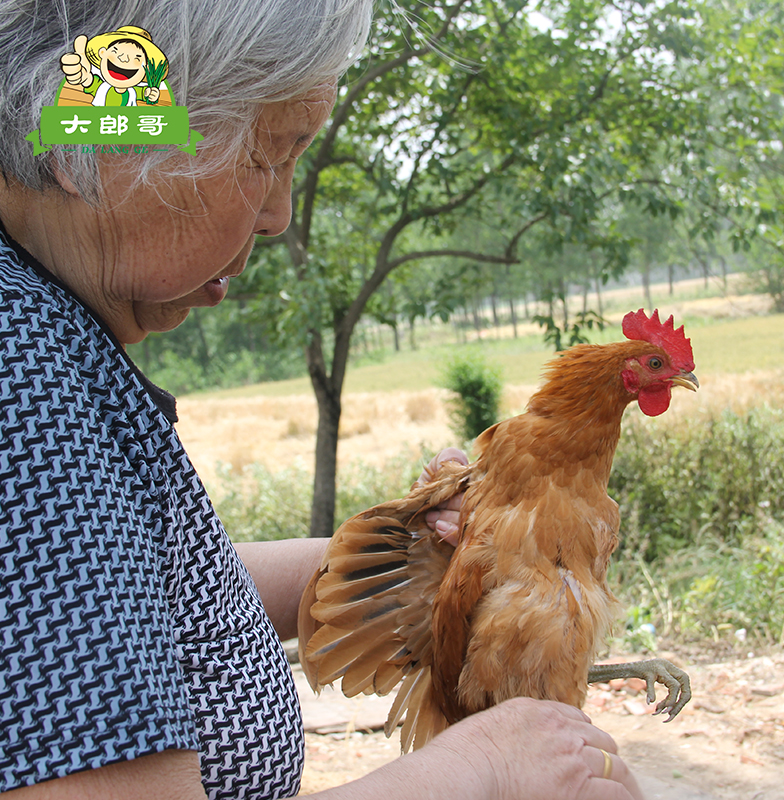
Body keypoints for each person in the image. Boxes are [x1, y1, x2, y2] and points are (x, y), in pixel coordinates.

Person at [0, 2, 644, 799]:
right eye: (267, 156)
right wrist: (482, 767)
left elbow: (111, 591)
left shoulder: (44, 326)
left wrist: (399, 563)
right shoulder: (23, 377)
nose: (279, 215)